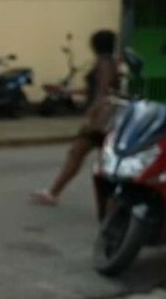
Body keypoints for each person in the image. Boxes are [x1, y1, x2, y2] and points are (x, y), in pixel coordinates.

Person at [31, 29, 121, 206]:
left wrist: (91, 115)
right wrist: (66, 91)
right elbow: (94, 90)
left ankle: (112, 202)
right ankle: (54, 193)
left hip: (102, 121)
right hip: (106, 120)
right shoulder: (108, 63)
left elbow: (102, 93)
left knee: (85, 156)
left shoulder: (104, 64)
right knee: (80, 155)